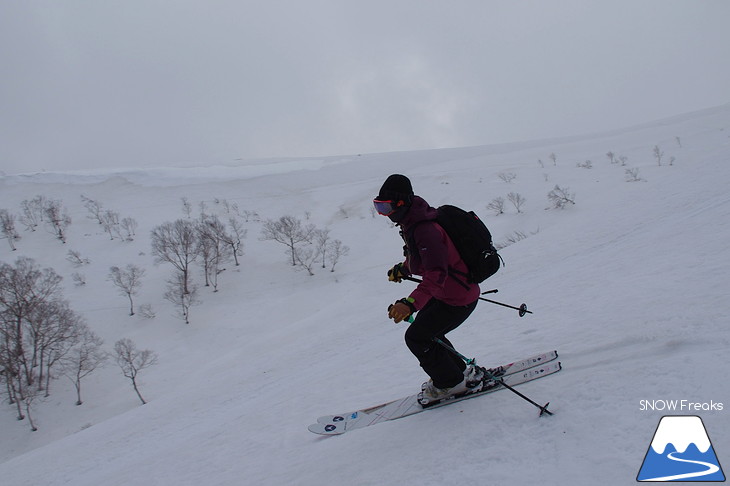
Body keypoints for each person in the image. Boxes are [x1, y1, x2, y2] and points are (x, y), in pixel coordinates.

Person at [373, 174, 484, 405]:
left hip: (457, 297)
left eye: (385, 207)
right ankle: (460, 374)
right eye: (378, 207)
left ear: (402, 203)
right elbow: (426, 258)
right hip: (450, 292)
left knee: (417, 337)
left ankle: (451, 384)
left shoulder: (425, 229)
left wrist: (410, 303)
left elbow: (436, 273)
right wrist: (404, 269)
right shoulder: (413, 222)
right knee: (428, 333)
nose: (384, 214)